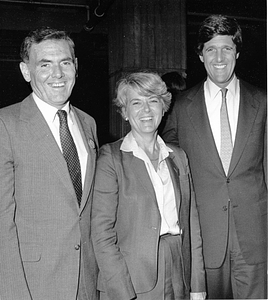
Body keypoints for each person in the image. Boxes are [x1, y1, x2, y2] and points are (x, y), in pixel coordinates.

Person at [162, 14, 267, 299]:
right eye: (210, 49)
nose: (219, 57)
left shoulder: (263, 101)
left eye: (227, 48)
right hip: (204, 239)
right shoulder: (180, 108)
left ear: (238, 53)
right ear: (200, 55)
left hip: (255, 239)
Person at [0, 27, 99, 300]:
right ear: (26, 71)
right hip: (34, 285)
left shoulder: (88, 123)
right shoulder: (6, 125)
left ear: (75, 67)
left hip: (87, 282)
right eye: (45, 65)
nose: (57, 74)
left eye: (65, 63)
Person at [91, 71, 206, 300]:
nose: (146, 110)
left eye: (153, 101)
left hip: (177, 269)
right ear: (124, 112)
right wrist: (123, 292)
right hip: (132, 278)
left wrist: (197, 284)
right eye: (136, 103)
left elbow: (191, 224)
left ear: (163, 107)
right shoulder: (111, 158)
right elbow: (101, 234)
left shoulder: (178, 157)